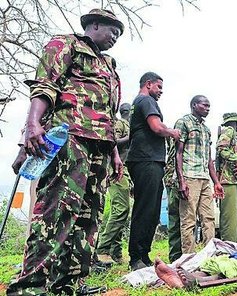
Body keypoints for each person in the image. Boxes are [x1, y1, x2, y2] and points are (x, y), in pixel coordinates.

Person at [7, 9, 125, 295]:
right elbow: (45, 86)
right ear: (94, 25)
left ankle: (67, 284)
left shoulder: (109, 64)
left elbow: (109, 113)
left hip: (100, 146)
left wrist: (115, 154)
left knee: (88, 217)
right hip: (68, 139)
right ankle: (30, 286)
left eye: (119, 35)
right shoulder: (65, 44)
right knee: (56, 212)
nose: (115, 38)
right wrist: (32, 125)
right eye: (113, 31)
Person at [126, 72, 181, 270]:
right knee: (145, 209)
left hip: (150, 160)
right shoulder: (146, 100)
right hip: (145, 160)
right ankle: (135, 257)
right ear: (148, 84)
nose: (161, 91)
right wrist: (172, 132)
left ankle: (143, 254)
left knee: (153, 210)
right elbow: (157, 127)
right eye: (159, 87)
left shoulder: (139, 102)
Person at [175, 95, 224, 254]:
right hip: (189, 177)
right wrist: (181, 181)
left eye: (209, 106)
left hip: (204, 178)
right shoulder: (184, 123)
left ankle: (209, 255)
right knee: (189, 220)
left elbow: (209, 158)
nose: (208, 109)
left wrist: (216, 182)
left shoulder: (206, 129)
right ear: (194, 105)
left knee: (208, 219)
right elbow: (178, 153)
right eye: (205, 105)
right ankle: (188, 258)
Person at [95, 103, 132, 265]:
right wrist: (132, 136)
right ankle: (102, 249)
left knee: (121, 211)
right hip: (116, 170)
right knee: (121, 209)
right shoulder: (120, 124)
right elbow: (113, 142)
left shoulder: (129, 125)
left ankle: (115, 251)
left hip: (127, 171)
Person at [216, 112, 237, 244]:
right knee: (230, 218)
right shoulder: (228, 131)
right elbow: (221, 147)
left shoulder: (233, 134)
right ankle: (231, 247)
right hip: (228, 181)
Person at [164, 137, 182, 262]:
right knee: (175, 219)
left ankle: (180, 254)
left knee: (185, 220)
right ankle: (175, 255)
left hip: (180, 180)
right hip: (172, 182)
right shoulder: (173, 145)